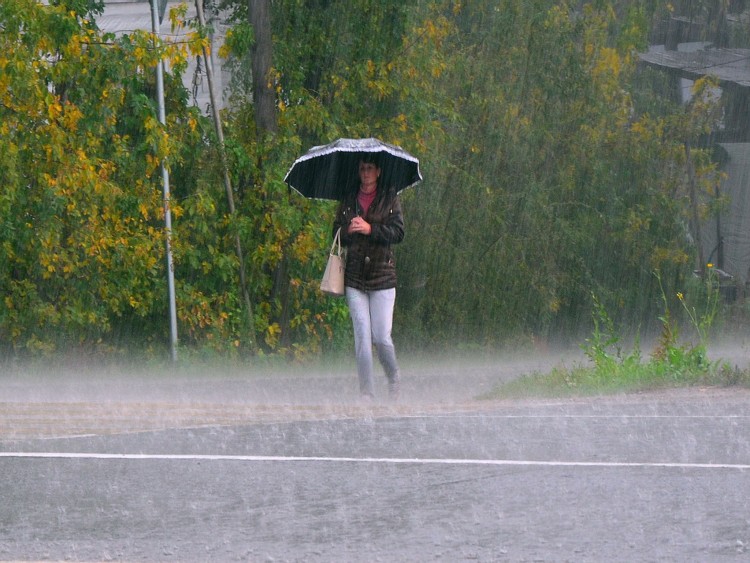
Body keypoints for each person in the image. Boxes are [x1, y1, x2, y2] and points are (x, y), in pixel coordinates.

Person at [333, 154, 404, 401]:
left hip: (382, 276)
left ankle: (393, 376)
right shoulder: (348, 198)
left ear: (378, 172)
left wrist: (370, 229)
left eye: (370, 168)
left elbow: (398, 232)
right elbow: (335, 233)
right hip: (354, 278)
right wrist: (347, 230)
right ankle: (367, 392)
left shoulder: (389, 197)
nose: (365, 173)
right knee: (362, 335)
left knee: (381, 336)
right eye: (362, 168)